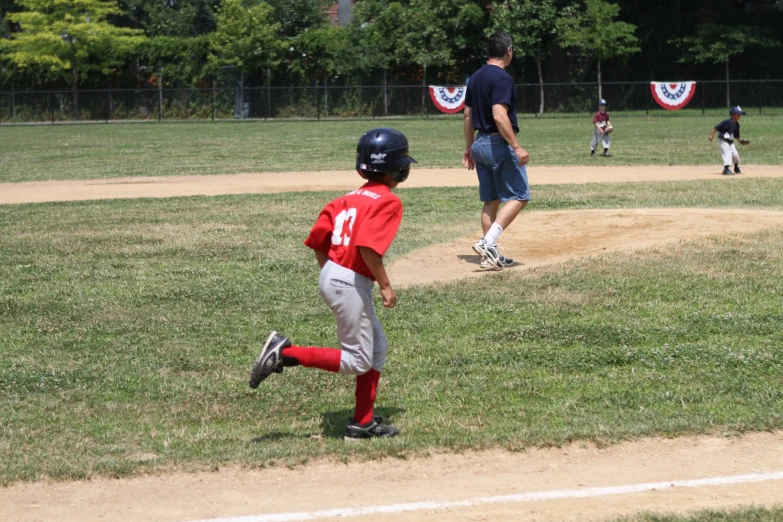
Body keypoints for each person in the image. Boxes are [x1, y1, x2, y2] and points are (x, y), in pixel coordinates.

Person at [248, 128, 416, 441]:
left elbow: (318, 241)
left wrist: (333, 273)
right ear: (399, 168)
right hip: (349, 279)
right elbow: (368, 247)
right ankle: (284, 354)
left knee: (376, 348)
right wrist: (385, 285)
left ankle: (362, 422)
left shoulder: (346, 198)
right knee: (358, 359)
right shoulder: (388, 201)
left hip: (335, 273)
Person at [462, 31, 530, 270]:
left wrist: (469, 147)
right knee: (520, 196)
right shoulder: (503, 79)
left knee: (491, 200)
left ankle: (487, 257)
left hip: (480, 143)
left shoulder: (476, 77)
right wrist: (517, 146)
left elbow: (468, 114)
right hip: (497, 143)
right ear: (508, 51)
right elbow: (499, 115)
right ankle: (487, 243)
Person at [709, 106, 746, 175]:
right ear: (732, 114)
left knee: (735, 154)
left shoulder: (737, 125)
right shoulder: (727, 122)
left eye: (740, 114)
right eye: (738, 114)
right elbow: (716, 127)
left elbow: (737, 136)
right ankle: (726, 170)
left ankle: (736, 168)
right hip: (723, 140)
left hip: (730, 142)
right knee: (727, 154)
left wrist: (740, 141)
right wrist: (711, 135)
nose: (739, 116)